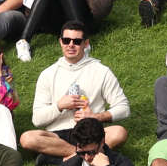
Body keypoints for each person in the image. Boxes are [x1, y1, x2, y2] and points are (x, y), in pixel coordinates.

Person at [22, 23, 131, 158]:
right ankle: (85, 155)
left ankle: (57, 157)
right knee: (27, 138)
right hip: (57, 134)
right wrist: (59, 106)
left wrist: (96, 117)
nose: (71, 45)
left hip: (90, 132)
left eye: (77, 41)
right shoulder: (48, 74)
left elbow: (124, 108)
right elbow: (37, 120)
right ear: (60, 42)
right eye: (66, 40)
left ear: (86, 44)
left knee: (119, 132)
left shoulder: (101, 71)